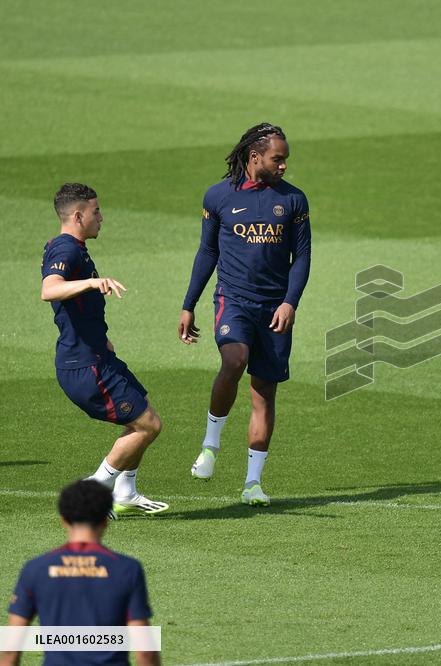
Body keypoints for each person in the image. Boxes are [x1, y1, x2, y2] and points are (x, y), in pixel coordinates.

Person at [179, 123, 312, 506]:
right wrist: (189, 303)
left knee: (263, 393)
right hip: (233, 299)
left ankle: (253, 482)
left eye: (285, 159)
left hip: (274, 308)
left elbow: (301, 256)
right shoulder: (219, 196)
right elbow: (207, 253)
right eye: (278, 158)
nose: (284, 166)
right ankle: (211, 444)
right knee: (234, 360)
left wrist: (290, 303)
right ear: (256, 157)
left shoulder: (294, 201)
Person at [40, 183, 167, 517]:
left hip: (97, 356)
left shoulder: (73, 248)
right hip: (85, 366)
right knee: (149, 425)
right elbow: (49, 290)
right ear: (78, 215)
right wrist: (92, 282)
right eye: (96, 211)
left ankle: (125, 490)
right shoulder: (65, 250)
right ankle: (97, 488)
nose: (101, 217)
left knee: (142, 413)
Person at [3, 480, 160, 666]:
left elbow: (10, 648)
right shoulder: (126, 569)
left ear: (63, 520)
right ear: (105, 519)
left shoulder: (36, 568)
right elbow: (146, 652)